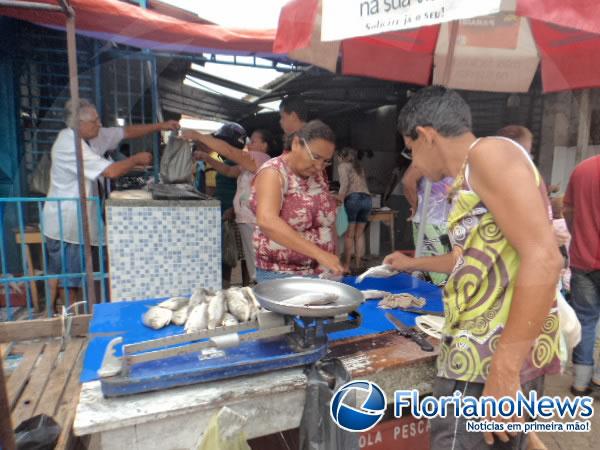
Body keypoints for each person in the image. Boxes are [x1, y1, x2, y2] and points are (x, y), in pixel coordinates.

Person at [383, 86, 562, 449]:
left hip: (487, 361)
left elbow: (545, 259)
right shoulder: (469, 178)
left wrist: (504, 370)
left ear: (426, 135)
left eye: (410, 149)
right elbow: (468, 260)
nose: (413, 161)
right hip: (482, 358)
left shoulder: (489, 153)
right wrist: (411, 263)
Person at [42, 99, 178, 308]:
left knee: (65, 273)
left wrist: (160, 126)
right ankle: (73, 320)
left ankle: (60, 318)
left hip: (76, 219)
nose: (99, 125)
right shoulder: (68, 143)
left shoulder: (93, 136)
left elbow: (125, 132)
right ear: (78, 124)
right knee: (70, 278)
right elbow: (111, 171)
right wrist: (135, 159)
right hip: (67, 221)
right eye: (94, 121)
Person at [251, 120, 343, 281]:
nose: (319, 166)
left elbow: (327, 220)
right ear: (296, 144)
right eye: (315, 157)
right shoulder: (273, 173)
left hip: (321, 273)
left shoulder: (318, 175)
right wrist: (320, 254)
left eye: (326, 161)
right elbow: (267, 220)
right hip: (281, 275)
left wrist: (334, 256)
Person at [182, 127, 274, 284]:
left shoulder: (260, 158)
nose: (249, 144)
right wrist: (208, 158)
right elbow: (229, 170)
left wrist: (199, 136)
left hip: (254, 221)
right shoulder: (251, 162)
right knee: (253, 262)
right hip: (248, 220)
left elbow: (230, 152)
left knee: (257, 265)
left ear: (265, 146)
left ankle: (264, 295)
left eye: (253, 141)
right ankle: (259, 291)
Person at [563, 154, 600, 396]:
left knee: (585, 321)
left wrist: (579, 234)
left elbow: (567, 210)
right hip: (584, 259)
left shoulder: (583, 169)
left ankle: (580, 382)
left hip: (583, 258)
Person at [336, 147, 371, 273]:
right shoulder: (359, 167)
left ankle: (346, 266)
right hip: (367, 199)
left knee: (349, 235)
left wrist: (339, 200)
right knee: (359, 234)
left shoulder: (343, 166)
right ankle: (358, 263)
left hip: (354, 199)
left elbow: (344, 184)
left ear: (341, 156)